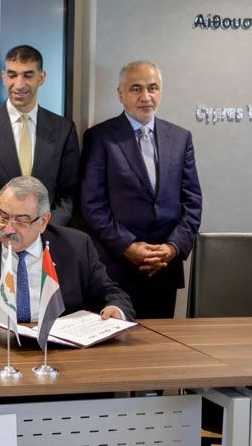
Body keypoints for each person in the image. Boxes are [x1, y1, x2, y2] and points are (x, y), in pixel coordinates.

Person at [81, 61, 202, 319]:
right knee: (114, 341)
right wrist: (129, 246)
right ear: (120, 94)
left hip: (164, 268)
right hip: (117, 267)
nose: (146, 96)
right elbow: (93, 206)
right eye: (136, 89)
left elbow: (192, 203)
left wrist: (172, 247)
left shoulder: (180, 138)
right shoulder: (100, 137)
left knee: (160, 342)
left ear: (161, 91)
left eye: (152, 88)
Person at [0, 176, 134, 330]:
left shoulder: (76, 246)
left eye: (21, 221)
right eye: (3, 217)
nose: (9, 228)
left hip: (57, 347)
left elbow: (111, 293)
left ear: (43, 221)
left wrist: (116, 310)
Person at [0, 45, 79, 230]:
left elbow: (69, 194)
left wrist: (43, 229)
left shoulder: (64, 129)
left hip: (46, 237)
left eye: (28, 75)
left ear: (41, 78)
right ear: (4, 77)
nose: (19, 84)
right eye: (12, 75)